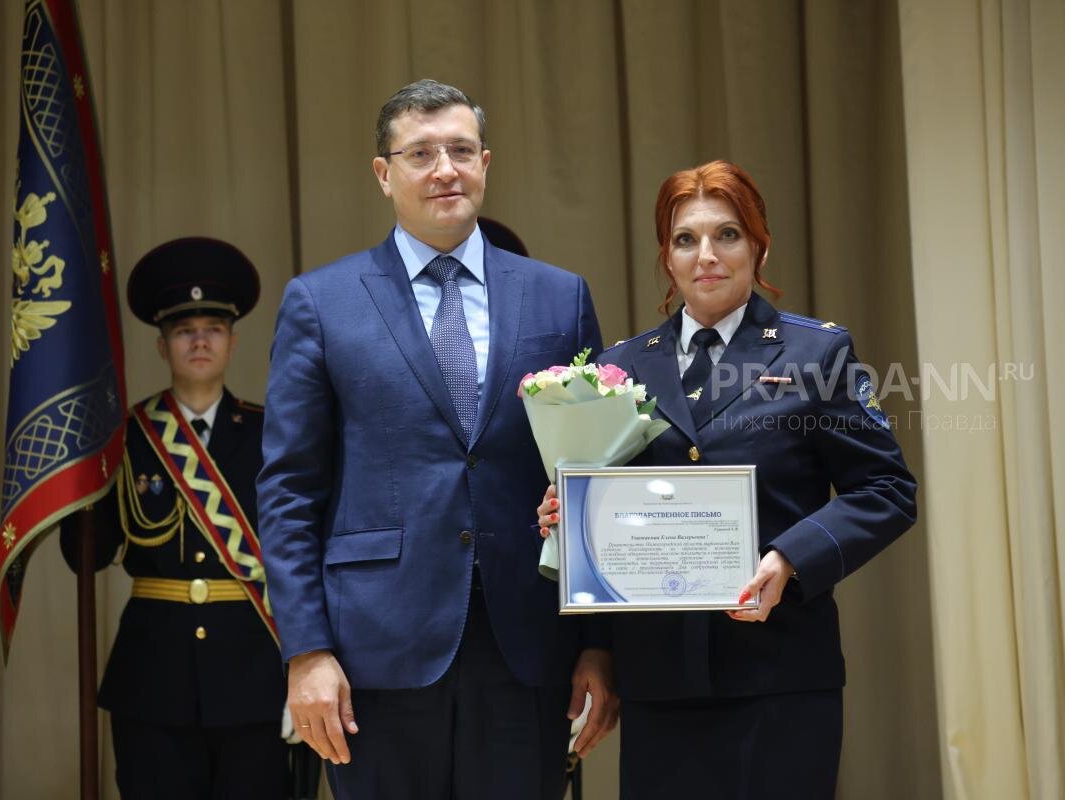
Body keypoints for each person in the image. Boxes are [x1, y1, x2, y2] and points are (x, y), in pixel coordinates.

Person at [257, 79, 618, 800]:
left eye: (460, 150)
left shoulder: (560, 296)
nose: (444, 169)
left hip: (527, 645)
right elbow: (289, 490)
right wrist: (306, 651)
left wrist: (600, 643)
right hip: (374, 653)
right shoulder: (322, 302)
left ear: (485, 162)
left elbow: (594, 473)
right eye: (420, 153)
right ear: (383, 174)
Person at [537, 160, 918, 798]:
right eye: (686, 239)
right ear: (667, 257)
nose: (706, 255)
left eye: (728, 235)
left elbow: (887, 489)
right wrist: (567, 517)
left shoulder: (816, 354)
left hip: (780, 674)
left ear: (759, 246)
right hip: (659, 684)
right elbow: (603, 517)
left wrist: (789, 558)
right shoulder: (618, 370)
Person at [59, 238, 289, 799]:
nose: (200, 341)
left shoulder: (273, 437)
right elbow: (83, 557)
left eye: (213, 328)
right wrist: (82, 462)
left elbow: (302, 557)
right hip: (152, 679)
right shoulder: (124, 440)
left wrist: (301, 670)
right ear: (162, 345)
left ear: (233, 342)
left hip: (254, 673)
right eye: (185, 330)